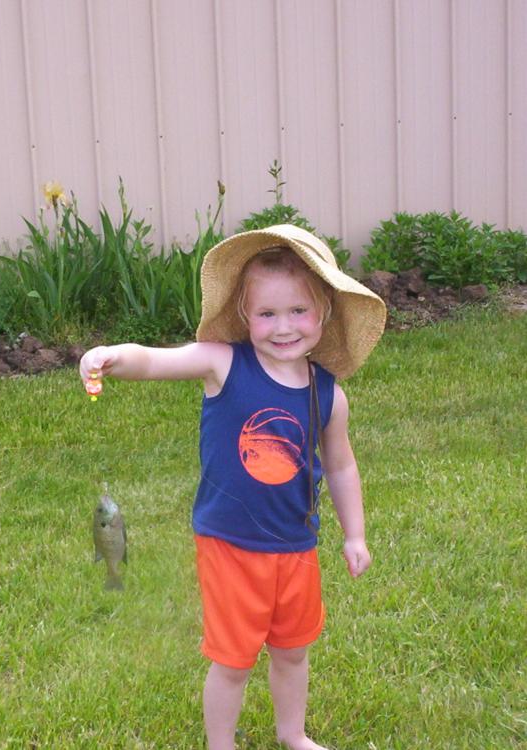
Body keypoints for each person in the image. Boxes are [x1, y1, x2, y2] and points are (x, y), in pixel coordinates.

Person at [79, 225, 386, 750]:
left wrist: (354, 535)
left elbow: (340, 466)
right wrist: (112, 355)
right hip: (230, 546)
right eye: (267, 314)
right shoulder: (222, 362)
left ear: (325, 313)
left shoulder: (328, 393)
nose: (283, 327)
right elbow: (157, 359)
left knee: (293, 650)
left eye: (298, 311)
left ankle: (293, 734)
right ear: (245, 316)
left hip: (296, 545)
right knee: (234, 659)